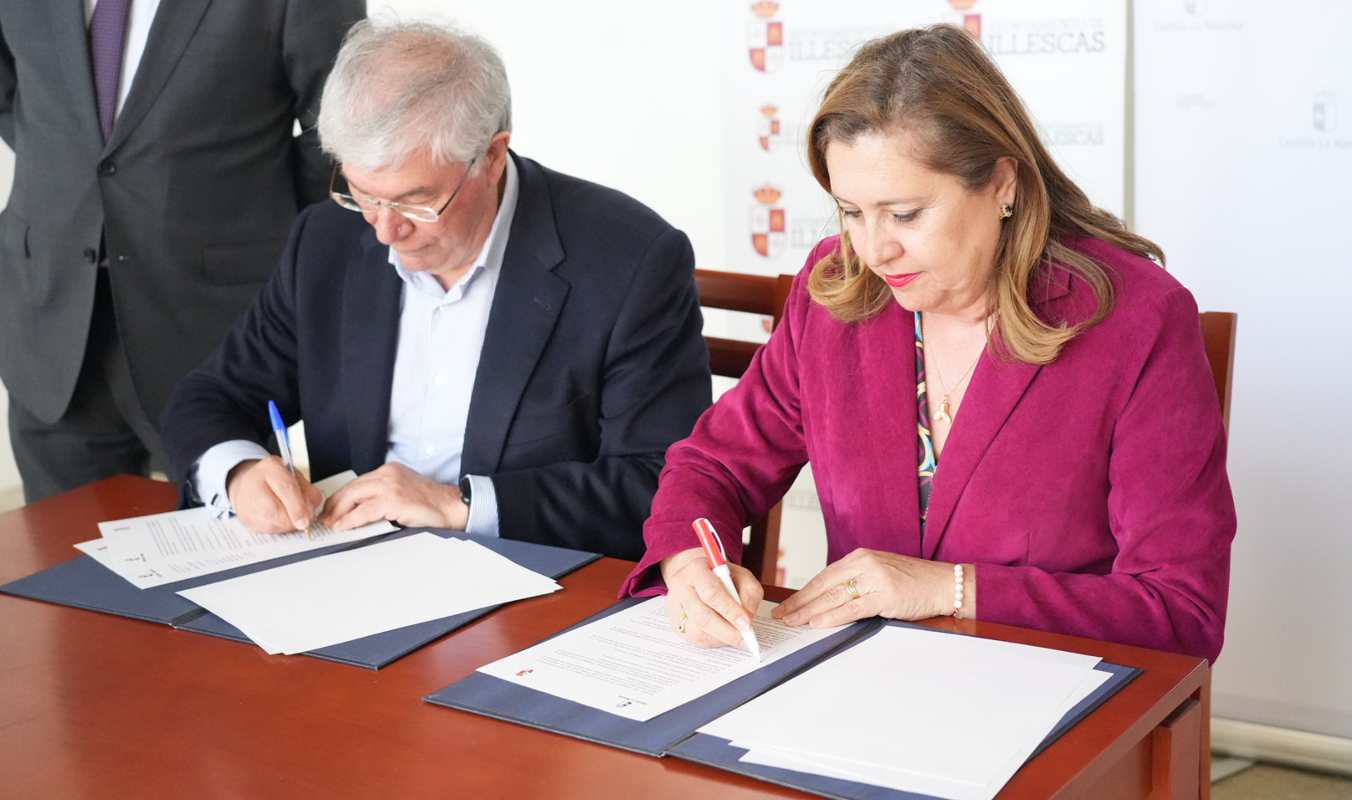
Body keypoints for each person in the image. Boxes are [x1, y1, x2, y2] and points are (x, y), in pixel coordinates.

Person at [622, 25, 1236, 662]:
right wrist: (689, 559)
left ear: (1003, 183)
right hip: (854, 686)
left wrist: (953, 589)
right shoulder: (837, 291)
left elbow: (1181, 610)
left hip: (1045, 698)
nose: (874, 249)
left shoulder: (1136, 319)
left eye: (906, 214)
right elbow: (714, 465)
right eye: (852, 213)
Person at [159, 20, 710, 560]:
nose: (384, 230)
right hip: (342, 574)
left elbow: (660, 481)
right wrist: (239, 473)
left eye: (416, 202)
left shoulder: (629, 261)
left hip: (529, 586)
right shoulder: (327, 241)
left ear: (492, 156)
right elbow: (212, 397)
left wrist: (459, 506)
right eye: (363, 194)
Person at [0, 1, 364, 502]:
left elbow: (349, 121)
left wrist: (276, 219)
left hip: (213, 324)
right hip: (51, 318)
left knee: (233, 562)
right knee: (56, 569)